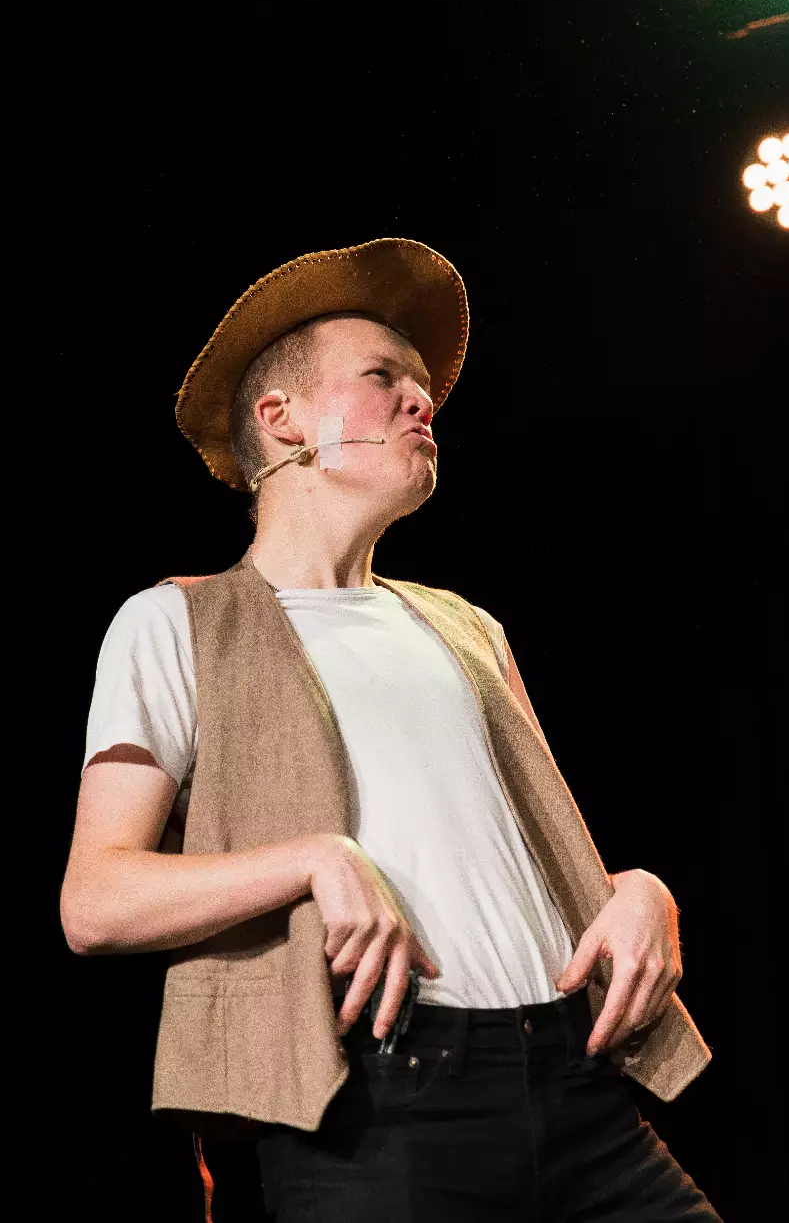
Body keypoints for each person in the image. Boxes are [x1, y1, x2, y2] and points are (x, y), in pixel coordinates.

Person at [61, 238, 722, 1221]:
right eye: (384, 379)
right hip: (375, 1107)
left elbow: (535, 856)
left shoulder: (467, 627)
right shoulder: (177, 623)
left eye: (426, 389)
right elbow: (96, 901)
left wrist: (640, 892)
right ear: (281, 419)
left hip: (576, 1084)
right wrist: (314, 859)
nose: (423, 404)